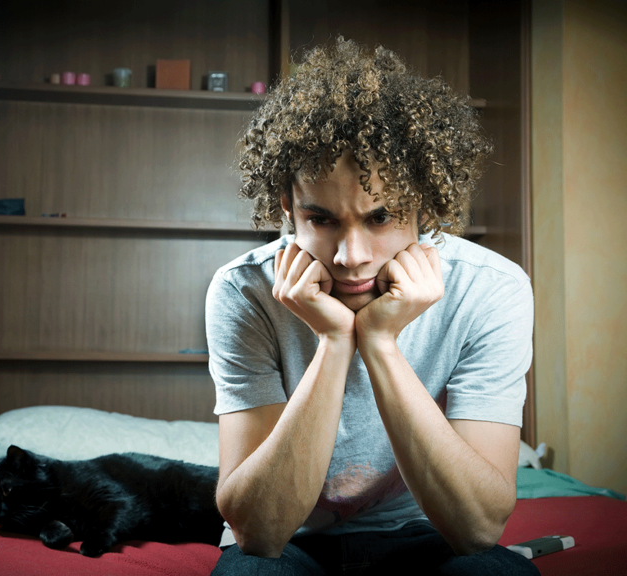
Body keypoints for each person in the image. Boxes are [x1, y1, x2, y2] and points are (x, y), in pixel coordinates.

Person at [205, 38, 538, 575]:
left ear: (423, 206)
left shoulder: (491, 289)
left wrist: (380, 344)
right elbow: (259, 532)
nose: (350, 257)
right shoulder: (243, 292)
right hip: (295, 539)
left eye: (380, 218)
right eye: (321, 219)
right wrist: (334, 342)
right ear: (288, 206)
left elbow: (478, 528)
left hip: (430, 533)